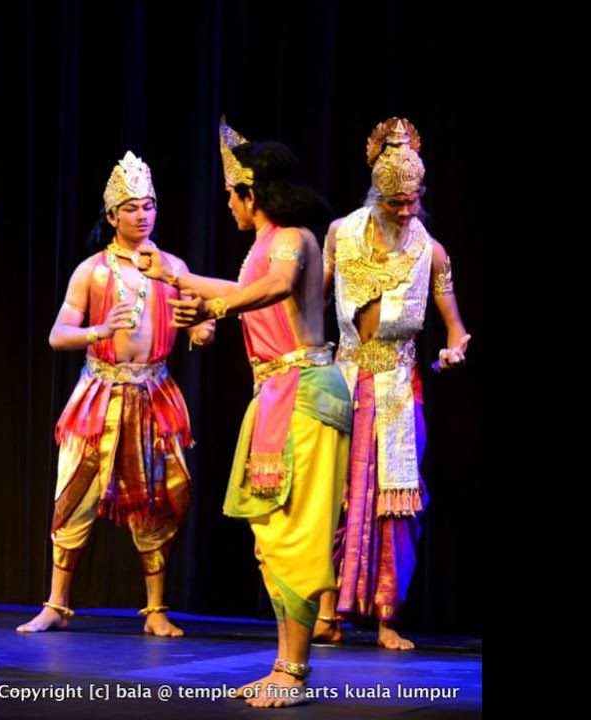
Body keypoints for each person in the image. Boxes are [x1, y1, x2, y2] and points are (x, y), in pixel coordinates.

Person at [140, 119, 350, 707]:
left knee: (296, 533)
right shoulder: (263, 245)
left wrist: (215, 308)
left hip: (304, 391)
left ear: (250, 193)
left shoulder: (291, 239)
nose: (228, 205)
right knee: (271, 535)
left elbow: (277, 285)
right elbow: (243, 288)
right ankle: (285, 664)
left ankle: (295, 672)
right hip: (279, 393)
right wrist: (176, 276)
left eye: (232, 195)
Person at [17, 151, 213, 638]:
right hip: (99, 395)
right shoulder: (92, 271)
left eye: (148, 206)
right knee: (75, 496)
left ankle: (156, 610)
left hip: (154, 395)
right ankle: (57, 604)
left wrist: (202, 329)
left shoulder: (173, 268)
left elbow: (200, 322)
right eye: (130, 207)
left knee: (157, 501)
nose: (142, 215)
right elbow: (57, 335)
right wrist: (100, 329)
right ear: (111, 216)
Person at [312, 118, 471, 651]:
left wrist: (454, 348)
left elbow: (455, 325)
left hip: (400, 387)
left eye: (413, 201)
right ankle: (327, 611)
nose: (406, 211)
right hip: (344, 376)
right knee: (335, 494)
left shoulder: (433, 252)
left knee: (394, 503)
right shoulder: (341, 234)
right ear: (375, 195)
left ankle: (386, 617)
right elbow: (313, 301)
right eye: (396, 202)